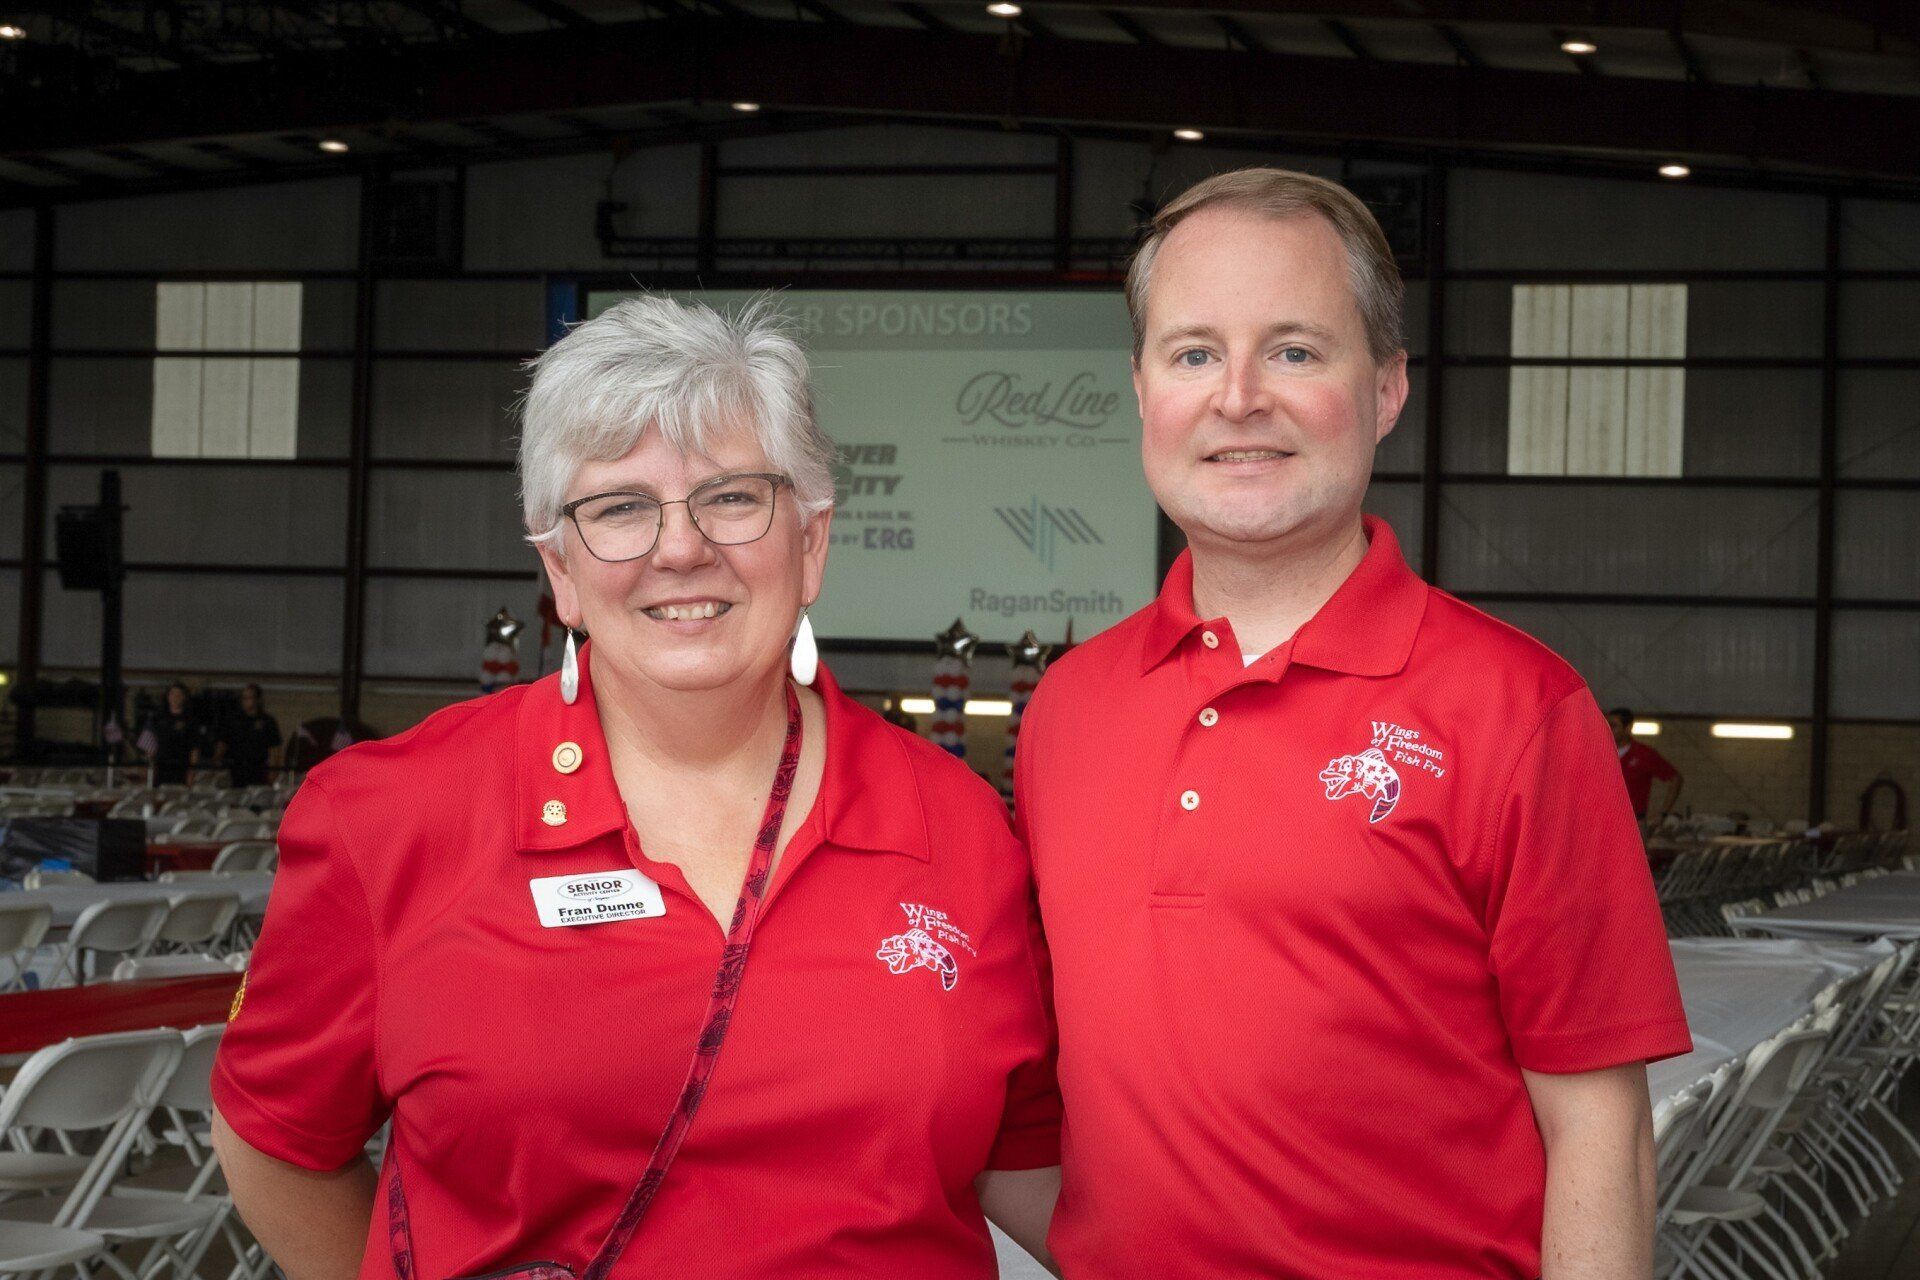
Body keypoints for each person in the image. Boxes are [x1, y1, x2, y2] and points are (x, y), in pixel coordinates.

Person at [211, 297, 1060, 1280]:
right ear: (560, 571)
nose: (681, 547)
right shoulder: (390, 816)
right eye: (619, 507)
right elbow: (274, 1136)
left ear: (812, 541)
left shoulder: (963, 831)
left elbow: (1030, 1163)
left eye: (733, 496)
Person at [1014, 169, 1691, 1280]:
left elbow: (1600, 1134)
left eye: (1293, 350)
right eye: (1192, 353)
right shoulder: (1069, 711)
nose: (1238, 396)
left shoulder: (1518, 710)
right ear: (1141, 392)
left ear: (1385, 389)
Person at [1610, 706, 1683, 825]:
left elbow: (1676, 779)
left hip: (1632, 824)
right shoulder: (1598, 752)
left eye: (1613, 725)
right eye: (1606, 724)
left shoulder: (1644, 754)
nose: (1608, 729)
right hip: (1602, 822)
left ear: (1627, 728)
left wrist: (1663, 813)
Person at [216, 683, 283, 788]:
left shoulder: (267, 721)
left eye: (249, 698)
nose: (245, 701)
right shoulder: (233, 720)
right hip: (237, 769)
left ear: (258, 700)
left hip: (259, 769)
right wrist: (217, 761)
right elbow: (222, 744)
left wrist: (273, 771)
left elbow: (275, 748)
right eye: (244, 698)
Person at [140, 680, 205, 786]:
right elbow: (150, 747)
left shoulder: (191, 721)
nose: (175, 697)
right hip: (160, 767)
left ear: (184, 697)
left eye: (179, 695)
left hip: (182, 767)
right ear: (168, 696)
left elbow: (195, 749)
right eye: (172, 694)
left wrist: (191, 771)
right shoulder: (157, 718)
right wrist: (147, 767)